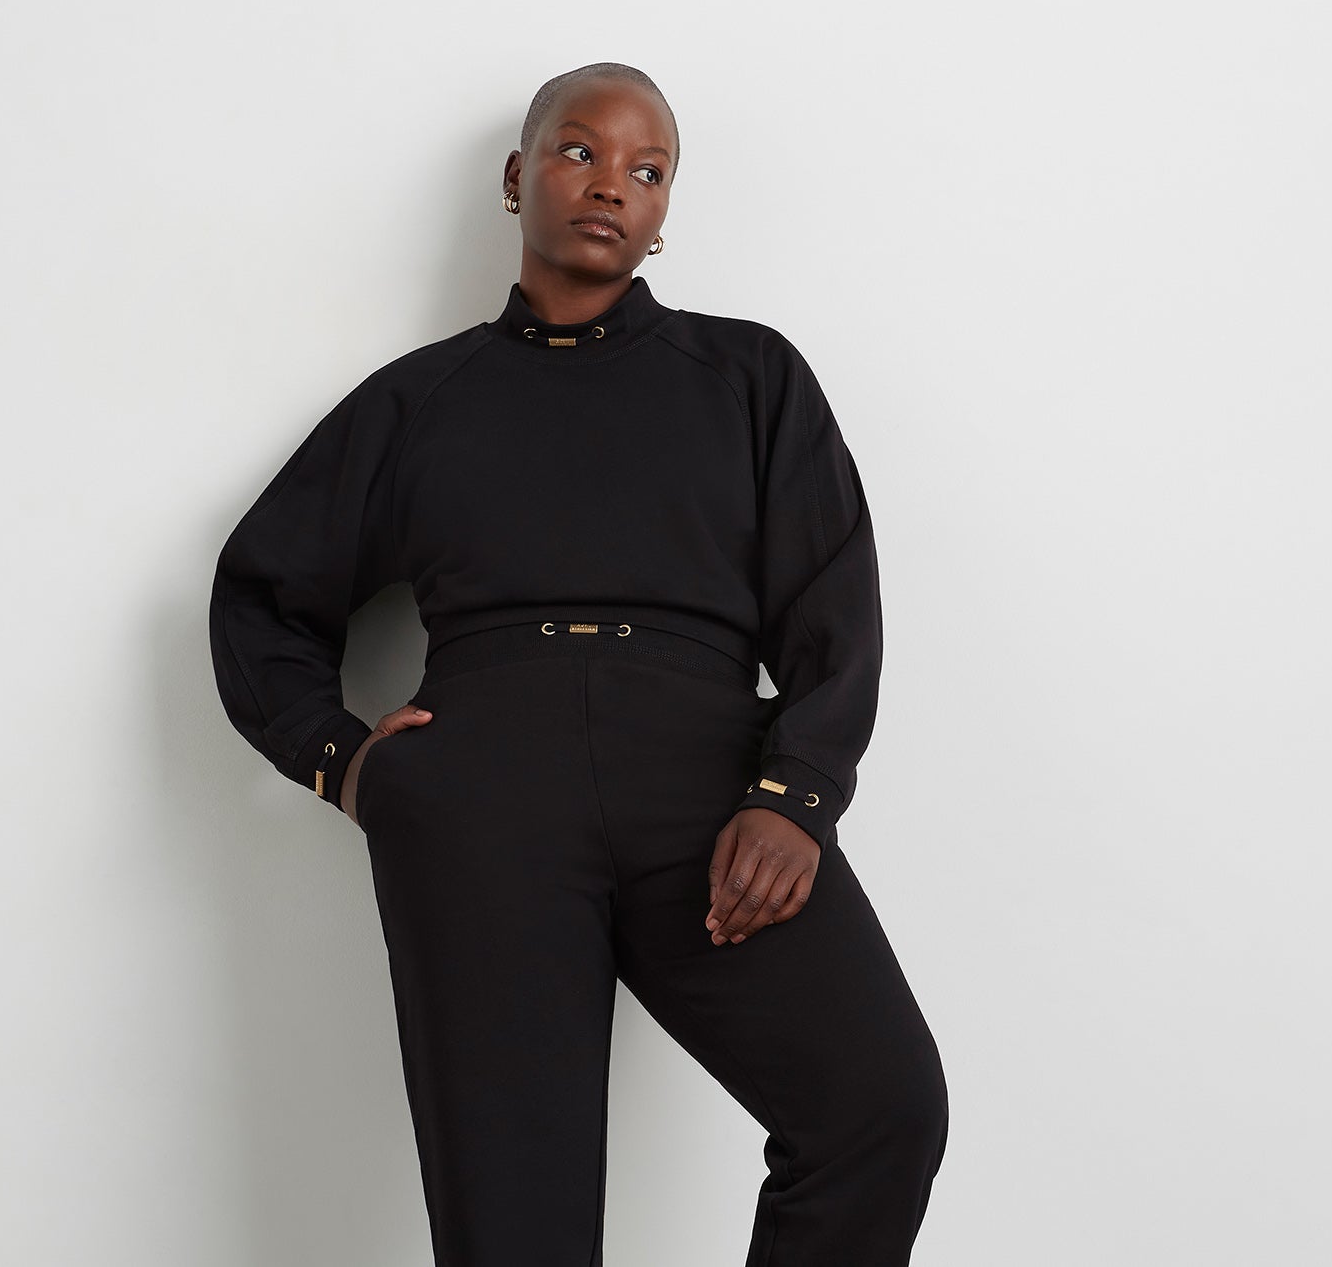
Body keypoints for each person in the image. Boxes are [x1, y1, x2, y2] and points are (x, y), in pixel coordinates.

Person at [207, 62, 949, 1266]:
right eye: (578, 151)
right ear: (517, 177)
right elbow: (259, 597)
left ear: (663, 213)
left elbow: (832, 605)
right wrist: (345, 762)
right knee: (515, 1226)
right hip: (482, 805)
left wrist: (796, 793)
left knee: (879, 1109)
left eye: (647, 171)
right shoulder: (418, 401)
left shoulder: (748, 378)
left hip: (706, 792)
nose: (612, 184)